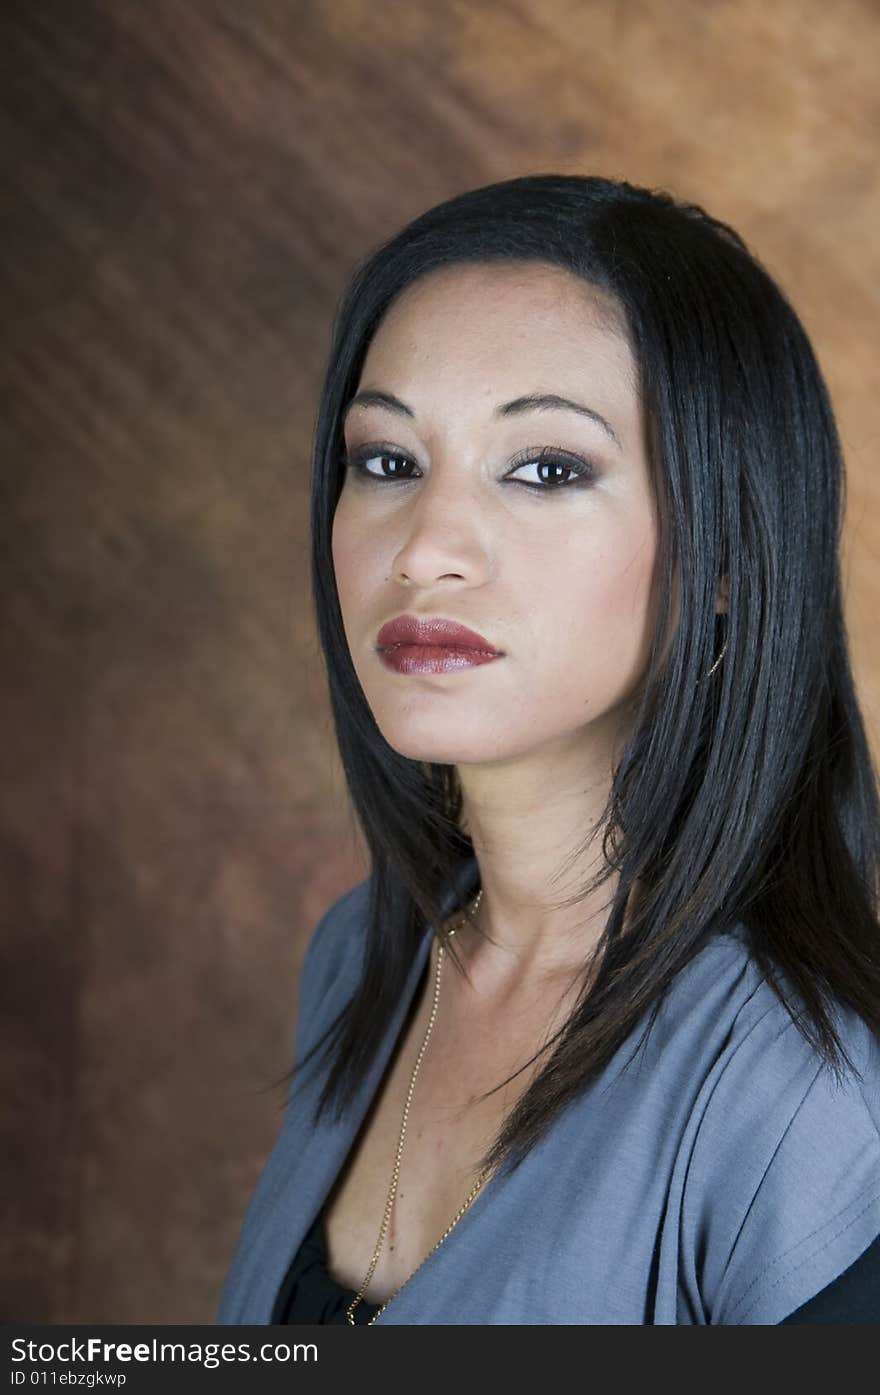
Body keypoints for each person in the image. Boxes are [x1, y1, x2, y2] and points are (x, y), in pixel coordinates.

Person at [218, 174, 880, 1325]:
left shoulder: (805, 1092)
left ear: (722, 558)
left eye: (546, 470)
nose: (425, 549)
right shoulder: (356, 963)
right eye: (385, 460)